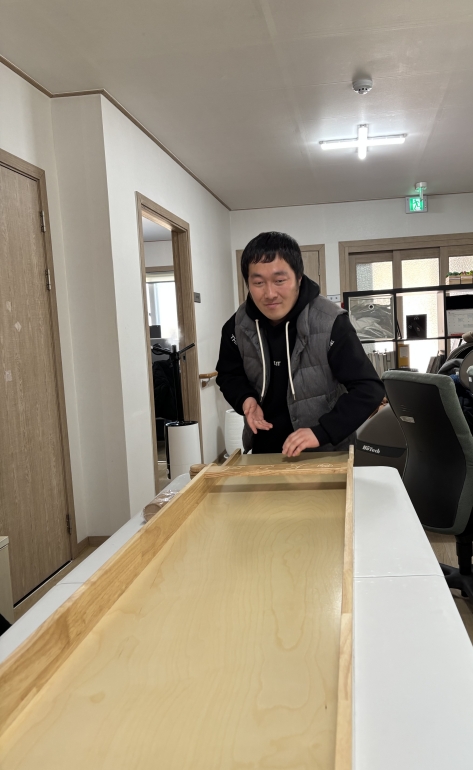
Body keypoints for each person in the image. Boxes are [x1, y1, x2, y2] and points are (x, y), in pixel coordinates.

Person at [216, 231, 385, 456]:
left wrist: (322, 431)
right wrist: (245, 399)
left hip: (325, 451)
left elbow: (369, 388)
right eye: (258, 282)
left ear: (299, 278)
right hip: (264, 452)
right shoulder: (237, 325)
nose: (269, 293)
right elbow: (229, 375)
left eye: (279, 281)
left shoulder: (331, 322)